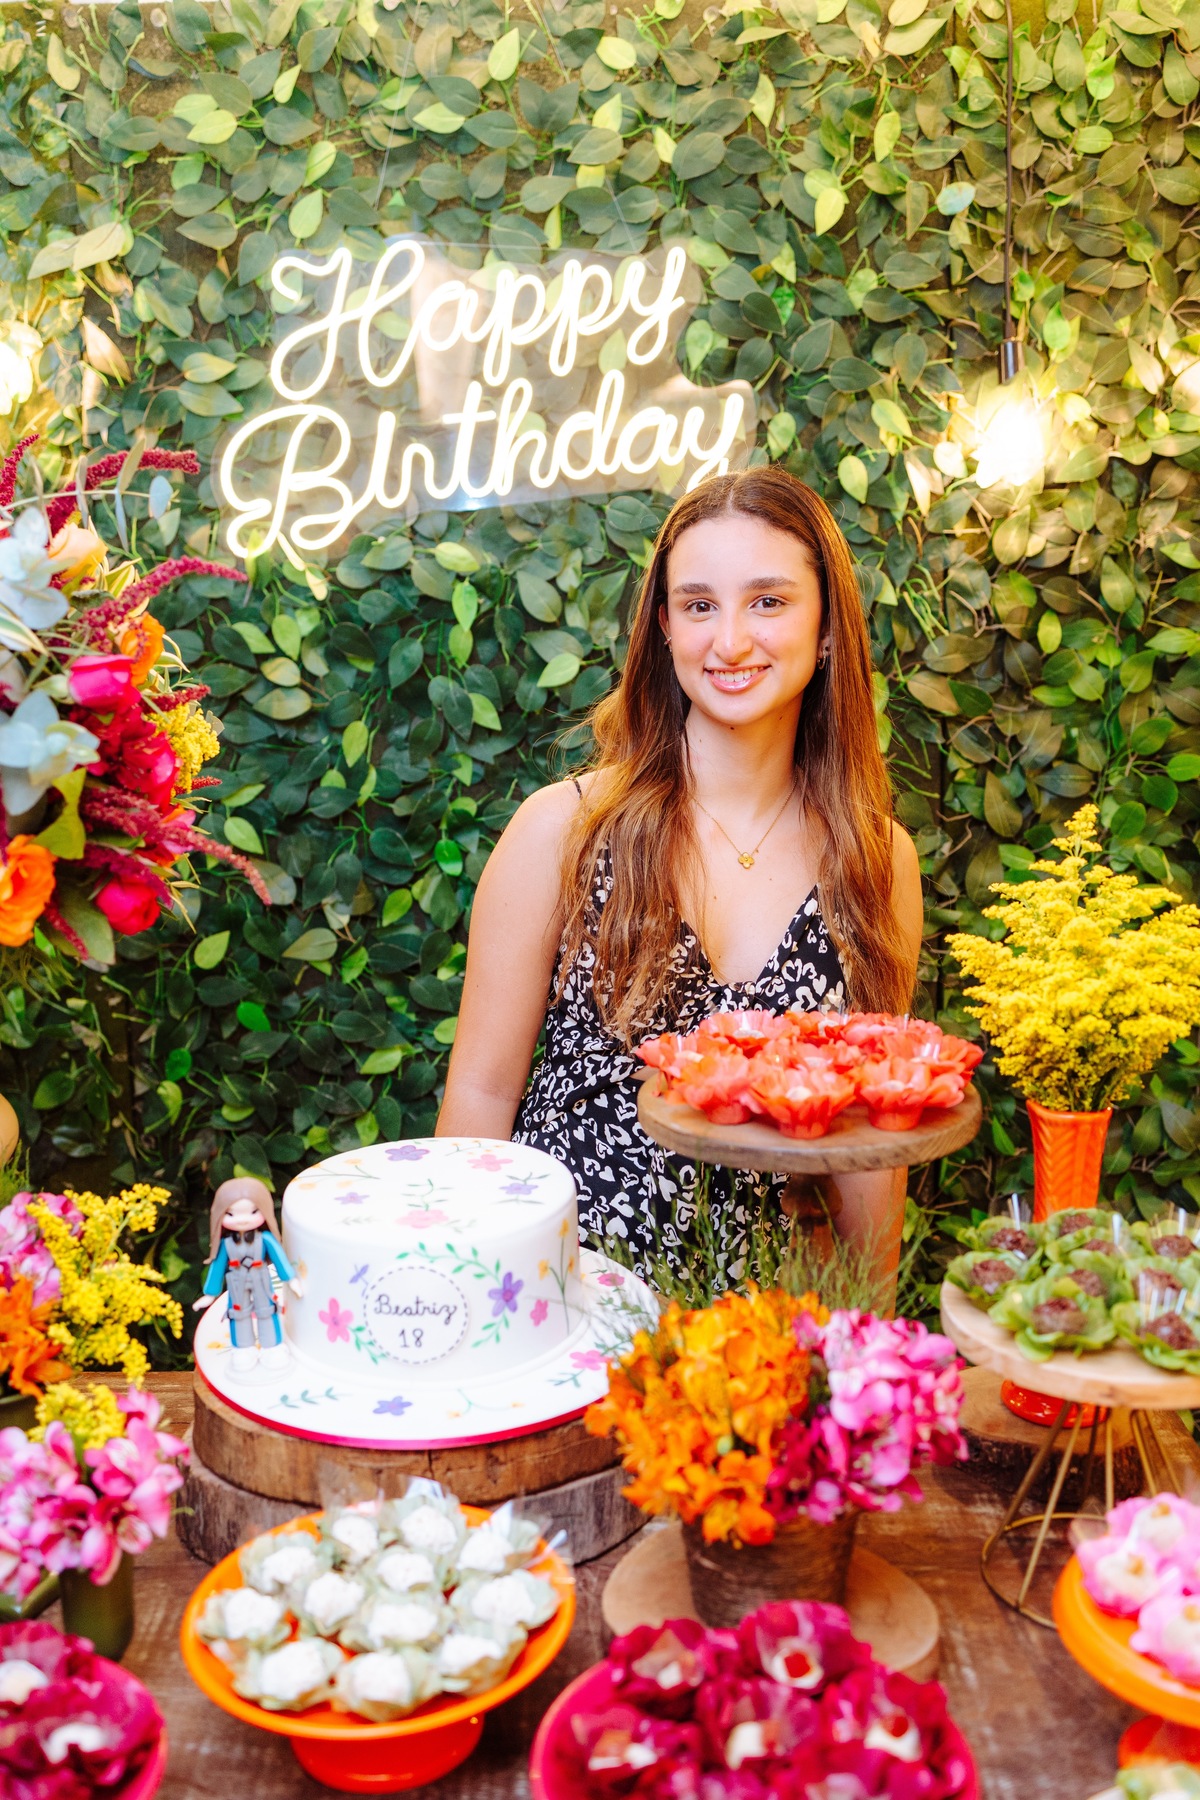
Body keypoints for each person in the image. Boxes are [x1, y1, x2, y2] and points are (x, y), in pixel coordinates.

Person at [437, 466, 923, 1291]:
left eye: (767, 601)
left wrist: (861, 1334)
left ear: (829, 625)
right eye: (699, 605)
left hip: (758, 1338)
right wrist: (462, 1299)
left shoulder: (875, 858)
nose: (730, 640)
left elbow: (872, 1138)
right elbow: (483, 1094)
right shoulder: (564, 829)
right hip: (566, 1306)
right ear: (664, 627)